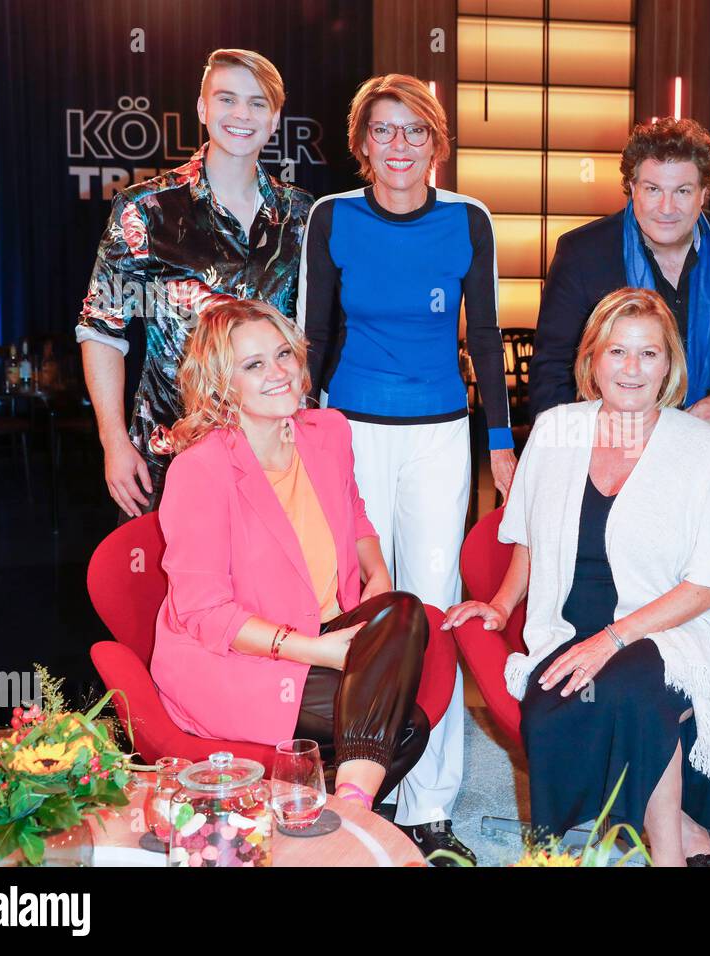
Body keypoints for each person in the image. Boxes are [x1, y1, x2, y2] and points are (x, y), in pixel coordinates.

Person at [443, 288, 710, 867]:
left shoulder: (702, 448)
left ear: (670, 364)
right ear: (592, 358)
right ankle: (693, 836)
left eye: (649, 354)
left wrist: (614, 639)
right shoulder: (556, 431)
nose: (632, 369)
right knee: (552, 705)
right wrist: (499, 604)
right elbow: (528, 535)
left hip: (677, 624)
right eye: (618, 352)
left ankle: (667, 853)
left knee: (632, 690)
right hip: (570, 625)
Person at [298, 73, 512, 862]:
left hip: (439, 434)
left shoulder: (468, 219)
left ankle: (430, 803)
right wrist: (300, 434)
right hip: (346, 429)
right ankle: (364, 781)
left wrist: (500, 443)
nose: (398, 146)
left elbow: (486, 339)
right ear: (361, 144)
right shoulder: (331, 217)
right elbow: (311, 337)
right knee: (358, 603)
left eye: (414, 131)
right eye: (383, 131)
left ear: (435, 143)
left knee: (432, 603)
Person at [150, 299, 429, 816]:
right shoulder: (200, 470)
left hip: (327, 627)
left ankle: (313, 808)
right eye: (253, 365)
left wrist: (378, 574)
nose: (278, 373)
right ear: (219, 382)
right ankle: (346, 813)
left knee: (405, 608)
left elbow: (356, 514)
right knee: (408, 728)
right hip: (236, 660)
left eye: (284, 355)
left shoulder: (328, 431)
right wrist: (318, 653)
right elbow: (205, 614)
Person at [77, 49, 313, 516]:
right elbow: (102, 330)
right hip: (171, 455)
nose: (241, 115)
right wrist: (114, 442)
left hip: (280, 455)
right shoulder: (146, 209)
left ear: (275, 119)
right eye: (227, 99)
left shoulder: (303, 216)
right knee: (175, 588)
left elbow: (316, 332)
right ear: (203, 109)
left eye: (257, 103)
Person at [527, 117, 710, 479]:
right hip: (609, 457)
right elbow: (553, 368)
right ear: (631, 187)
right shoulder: (582, 252)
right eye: (653, 189)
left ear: (705, 191)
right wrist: (564, 460)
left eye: (683, 191)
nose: (667, 207)